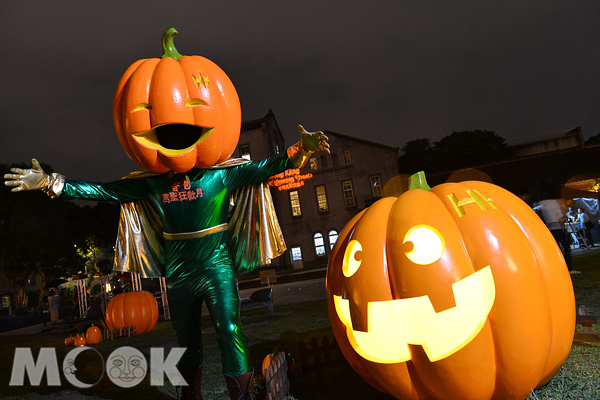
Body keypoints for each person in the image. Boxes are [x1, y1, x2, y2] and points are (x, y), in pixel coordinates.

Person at [4, 128, 329, 400]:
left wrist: (301, 150)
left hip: (216, 270)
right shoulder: (151, 184)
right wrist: (51, 183)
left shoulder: (221, 175)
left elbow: (269, 166)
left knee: (230, 331)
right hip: (179, 277)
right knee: (187, 340)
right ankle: (192, 395)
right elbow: (102, 191)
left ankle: (240, 397)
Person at [533, 199, 579, 274]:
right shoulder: (554, 203)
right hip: (558, 227)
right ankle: (568, 268)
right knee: (565, 248)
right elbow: (559, 216)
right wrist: (564, 213)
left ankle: (558, 268)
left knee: (555, 249)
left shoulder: (542, 204)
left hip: (550, 228)